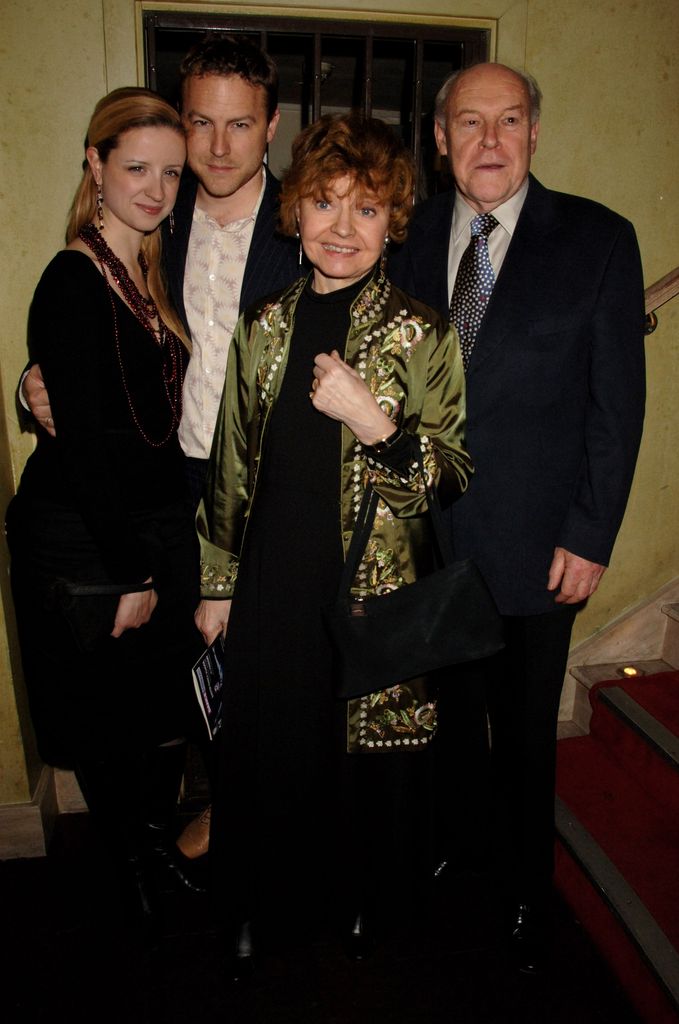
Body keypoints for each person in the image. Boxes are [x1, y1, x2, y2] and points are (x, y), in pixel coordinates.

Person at [194, 112, 473, 973]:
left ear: (393, 219)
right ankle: (255, 900)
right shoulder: (265, 325)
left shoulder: (422, 333)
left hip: (374, 582)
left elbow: (450, 475)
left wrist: (376, 424)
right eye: (323, 204)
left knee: (362, 757)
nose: (342, 228)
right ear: (296, 212)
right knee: (268, 746)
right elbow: (232, 463)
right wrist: (215, 581)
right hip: (274, 574)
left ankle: (359, 897)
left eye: (364, 208)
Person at [389, 62, 646, 972]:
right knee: (449, 719)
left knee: (526, 734)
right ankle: (459, 856)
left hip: (541, 548)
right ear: (439, 136)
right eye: (469, 122)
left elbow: (617, 407)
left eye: (507, 121)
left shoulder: (599, 241)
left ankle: (527, 896)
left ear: (534, 133)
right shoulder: (406, 238)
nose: (488, 141)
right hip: (428, 543)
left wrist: (590, 532)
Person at [21, 33, 301, 858]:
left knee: (272, 658)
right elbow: (95, 353)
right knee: (189, 663)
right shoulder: (153, 230)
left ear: (271, 127)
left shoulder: (307, 226)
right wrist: (32, 390)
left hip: (275, 487)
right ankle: (214, 799)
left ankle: (274, 810)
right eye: (199, 124)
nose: (216, 146)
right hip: (172, 490)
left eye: (239, 125)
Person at [5, 88, 203, 933]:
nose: (155, 189)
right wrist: (129, 573)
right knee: (113, 726)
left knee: (160, 718)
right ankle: (133, 868)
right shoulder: (72, 278)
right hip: (88, 543)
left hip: (146, 529)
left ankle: (154, 847)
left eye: (169, 172)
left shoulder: (148, 272)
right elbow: (83, 449)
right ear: (94, 165)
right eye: (135, 169)